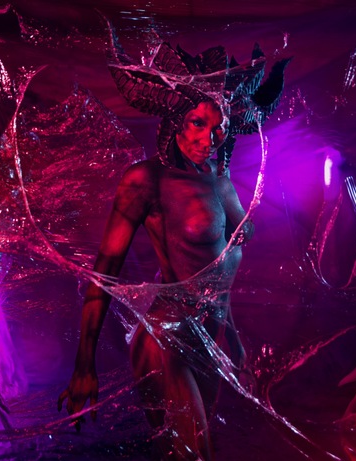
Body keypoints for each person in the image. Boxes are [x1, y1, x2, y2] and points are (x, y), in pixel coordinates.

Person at [58, 35, 289, 460]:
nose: (209, 138)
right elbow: (104, 271)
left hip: (210, 341)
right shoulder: (146, 180)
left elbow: (219, 272)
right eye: (198, 123)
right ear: (175, 121)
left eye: (218, 126)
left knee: (192, 452)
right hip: (169, 338)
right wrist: (83, 365)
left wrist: (234, 341)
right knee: (196, 453)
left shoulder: (222, 183)